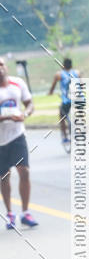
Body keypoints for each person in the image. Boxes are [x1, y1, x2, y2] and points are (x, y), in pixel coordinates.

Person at [0, 56, 38, 229]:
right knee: (4, 177)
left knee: (24, 172)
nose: (0, 68)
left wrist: (25, 114)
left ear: (6, 67)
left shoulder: (18, 84)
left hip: (17, 136)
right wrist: (8, 116)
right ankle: (10, 213)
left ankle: (25, 212)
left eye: (1, 64)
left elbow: (29, 104)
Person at [49, 57, 81, 143]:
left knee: (62, 117)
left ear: (63, 65)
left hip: (66, 100)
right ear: (71, 65)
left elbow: (53, 87)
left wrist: (50, 92)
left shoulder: (59, 75)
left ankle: (65, 138)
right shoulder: (77, 73)